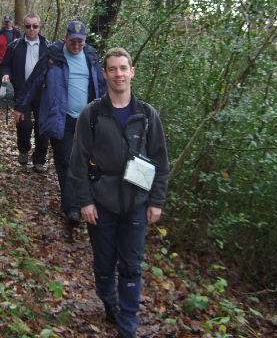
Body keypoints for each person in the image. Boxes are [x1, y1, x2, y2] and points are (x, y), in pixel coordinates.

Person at [68, 47, 170, 338]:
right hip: (102, 202)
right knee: (104, 264)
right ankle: (108, 298)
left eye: (123, 68)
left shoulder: (147, 115)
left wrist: (156, 201)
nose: (118, 74)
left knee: (131, 265)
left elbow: (161, 161)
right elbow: (77, 162)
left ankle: (128, 323)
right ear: (105, 74)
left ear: (132, 72)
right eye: (112, 69)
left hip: (137, 201)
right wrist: (85, 201)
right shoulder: (92, 114)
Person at [15, 20, 107, 225]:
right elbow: (34, 81)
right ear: (65, 38)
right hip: (60, 117)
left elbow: (101, 86)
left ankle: (84, 200)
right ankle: (72, 208)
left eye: (80, 42)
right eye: (73, 41)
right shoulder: (53, 56)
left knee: (85, 161)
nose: (76, 45)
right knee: (65, 161)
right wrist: (21, 106)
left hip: (86, 120)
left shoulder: (91, 57)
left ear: (85, 41)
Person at [0, 13, 50, 172]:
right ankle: (23, 149)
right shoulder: (15, 46)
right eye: (28, 26)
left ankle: (39, 160)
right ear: (23, 27)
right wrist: (5, 75)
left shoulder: (48, 46)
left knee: (43, 127)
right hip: (22, 92)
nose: (31, 29)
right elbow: (4, 65)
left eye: (35, 26)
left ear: (40, 27)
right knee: (24, 124)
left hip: (42, 93)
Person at [0, 15, 21, 83]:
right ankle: (2, 90)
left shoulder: (17, 33)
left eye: (9, 21)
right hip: (2, 60)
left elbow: (21, 47)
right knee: (3, 80)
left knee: (14, 79)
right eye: (6, 22)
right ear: (4, 22)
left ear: (12, 22)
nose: (8, 23)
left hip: (14, 60)